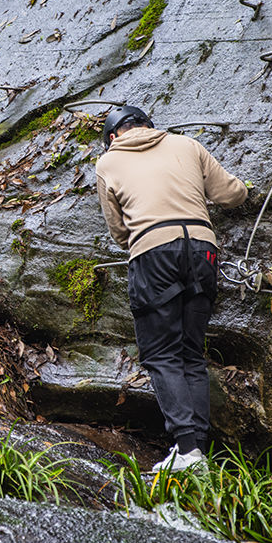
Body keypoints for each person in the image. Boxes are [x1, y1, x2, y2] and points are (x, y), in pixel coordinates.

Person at [94, 105, 249, 473]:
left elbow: (119, 232)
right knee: (191, 353)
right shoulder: (186, 145)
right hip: (203, 250)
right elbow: (232, 194)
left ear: (113, 137)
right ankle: (197, 451)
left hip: (153, 253)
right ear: (149, 127)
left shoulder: (108, 163)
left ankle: (187, 450)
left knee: (162, 355)